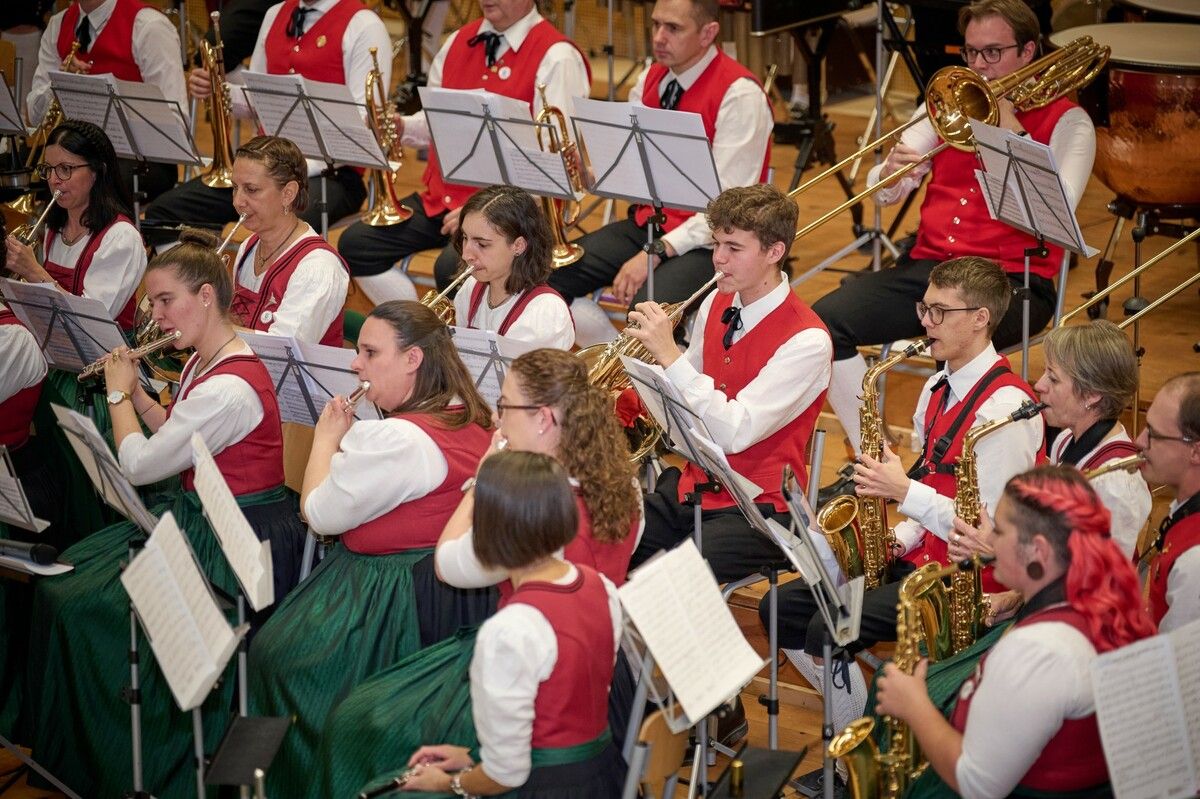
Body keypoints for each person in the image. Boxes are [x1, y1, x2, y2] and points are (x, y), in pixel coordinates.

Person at [24, 229, 307, 798]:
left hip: (237, 534)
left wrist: (119, 395)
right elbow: (179, 436)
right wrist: (148, 400)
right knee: (68, 585)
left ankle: (136, 763)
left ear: (206, 296)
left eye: (163, 301)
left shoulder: (227, 387)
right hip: (208, 514)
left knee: (80, 607)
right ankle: (82, 755)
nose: (154, 317)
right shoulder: (209, 358)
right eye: (151, 302)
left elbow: (140, 466)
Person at [761, 256, 1043, 791]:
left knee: (828, 629)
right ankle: (859, 730)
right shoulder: (937, 386)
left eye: (939, 311)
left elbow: (988, 531)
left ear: (981, 318)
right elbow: (934, 483)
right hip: (919, 560)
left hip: (964, 583)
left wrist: (902, 493)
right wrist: (899, 534)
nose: (925, 322)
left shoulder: (1005, 410)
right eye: (924, 308)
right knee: (781, 609)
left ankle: (860, 767)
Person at [316, 348, 641, 795]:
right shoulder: (622, 484)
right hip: (602, 683)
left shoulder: (528, 511)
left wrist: (483, 478)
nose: (496, 419)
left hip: (534, 680)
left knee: (361, 721)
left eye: (505, 406)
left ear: (544, 419)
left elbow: (448, 564)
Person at [813, 0, 1095, 492]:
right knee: (823, 325)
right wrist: (893, 175)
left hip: (1013, 282)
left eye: (993, 52)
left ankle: (936, 474)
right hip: (932, 270)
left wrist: (1008, 131)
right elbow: (881, 194)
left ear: (1028, 51)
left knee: (955, 339)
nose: (979, 66)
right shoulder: (950, 103)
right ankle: (872, 456)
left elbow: (1057, 219)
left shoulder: (1071, 123)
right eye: (970, 53)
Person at [246, 300, 495, 797]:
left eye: (368, 352)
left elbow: (317, 515)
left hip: (386, 595)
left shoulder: (397, 438)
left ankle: (304, 783)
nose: (355, 364)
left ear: (413, 360)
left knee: (277, 660)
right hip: (435, 594)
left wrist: (326, 439)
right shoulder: (465, 415)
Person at [874, 465, 1155, 799]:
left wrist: (913, 705)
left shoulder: (1039, 649)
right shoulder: (1103, 601)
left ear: (1038, 550)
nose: (988, 540)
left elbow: (976, 784)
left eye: (1000, 531)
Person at [624, 184, 831, 585]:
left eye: (734, 248)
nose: (718, 258)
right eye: (716, 243)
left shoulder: (808, 341)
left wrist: (670, 356)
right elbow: (685, 396)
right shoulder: (716, 303)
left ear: (774, 252)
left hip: (762, 509)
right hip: (695, 484)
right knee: (605, 540)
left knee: (675, 582)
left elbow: (735, 432)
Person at [387, 450, 625, 799]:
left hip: (542, 788)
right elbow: (563, 711)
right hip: (605, 774)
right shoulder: (600, 587)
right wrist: (472, 756)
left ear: (491, 535)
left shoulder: (509, 631)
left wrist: (450, 783)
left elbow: (505, 775)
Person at [546, 0, 773, 341]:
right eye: (655, 25)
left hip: (713, 241)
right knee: (543, 281)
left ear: (708, 33)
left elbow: (728, 208)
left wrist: (655, 252)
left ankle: (647, 374)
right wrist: (590, 174)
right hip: (649, 225)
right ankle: (616, 362)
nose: (659, 37)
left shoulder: (740, 94)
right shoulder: (650, 78)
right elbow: (631, 172)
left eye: (673, 28)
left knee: (646, 312)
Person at [339, 0, 590, 307]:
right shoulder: (456, 41)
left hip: (513, 211)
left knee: (453, 269)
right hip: (443, 200)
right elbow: (436, 124)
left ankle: (453, 341)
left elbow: (556, 159)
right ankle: (417, 325)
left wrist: (488, 211)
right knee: (357, 244)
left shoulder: (558, 56)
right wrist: (401, 126)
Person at [143, 0, 390, 232]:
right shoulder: (275, 13)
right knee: (166, 211)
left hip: (333, 175)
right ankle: (203, 276)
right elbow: (256, 98)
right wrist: (219, 91)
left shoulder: (365, 25)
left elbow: (364, 121)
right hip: (263, 168)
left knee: (278, 226)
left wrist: (287, 169)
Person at [27, 0, 186, 201]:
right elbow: (34, 116)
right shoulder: (58, 24)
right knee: (21, 172)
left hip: (141, 162)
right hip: (76, 153)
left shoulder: (149, 26)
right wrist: (59, 82)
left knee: (87, 182)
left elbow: (176, 126)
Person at [5, 119, 145, 330]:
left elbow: (93, 325)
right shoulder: (55, 227)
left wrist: (34, 272)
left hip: (109, 357)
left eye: (65, 168)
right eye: (49, 169)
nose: (53, 180)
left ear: (97, 171)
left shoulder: (121, 237)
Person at [1035, 320, 1149, 558]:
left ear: (1092, 394)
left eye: (1053, 379)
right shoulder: (1066, 440)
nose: (1039, 385)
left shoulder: (1116, 483)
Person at [229, 135, 350, 345]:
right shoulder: (247, 248)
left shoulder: (318, 267)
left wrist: (210, 328)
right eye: (235, 188)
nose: (238, 201)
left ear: (288, 193)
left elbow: (284, 351)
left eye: (251, 190)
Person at [446, 185, 574, 349]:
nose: (466, 255)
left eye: (482, 244)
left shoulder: (545, 312)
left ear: (518, 246)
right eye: (465, 237)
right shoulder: (471, 288)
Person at [1137, 371, 1200, 632]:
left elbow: (1178, 667)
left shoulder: (1194, 562)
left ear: (1196, 451)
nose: (1138, 441)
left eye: (1153, 433)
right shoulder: (1184, 511)